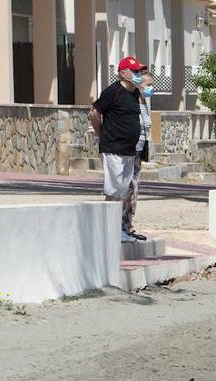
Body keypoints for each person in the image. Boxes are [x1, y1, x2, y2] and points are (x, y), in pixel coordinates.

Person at [89, 56, 144, 243]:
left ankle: (116, 229)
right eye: (135, 71)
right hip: (113, 148)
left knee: (122, 190)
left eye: (139, 71)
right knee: (113, 191)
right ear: (123, 73)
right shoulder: (113, 91)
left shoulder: (134, 93)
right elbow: (95, 113)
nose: (138, 75)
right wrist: (101, 133)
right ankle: (109, 232)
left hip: (129, 150)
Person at [123, 68, 155, 241]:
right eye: (148, 84)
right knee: (127, 188)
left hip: (140, 149)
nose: (151, 88)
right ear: (139, 84)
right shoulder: (132, 100)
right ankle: (122, 226)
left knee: (134, 189)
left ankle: (129, 225)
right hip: (130, 149)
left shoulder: (143, 102)